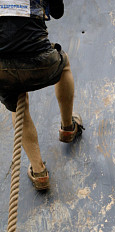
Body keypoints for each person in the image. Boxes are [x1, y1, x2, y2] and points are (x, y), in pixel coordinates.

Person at [0, 0, 83, 191]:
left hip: (2, 70)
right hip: (40, 62)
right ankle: (68, 128)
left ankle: (39, 173)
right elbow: (58, 12)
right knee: (64, 65)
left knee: (18, 106)